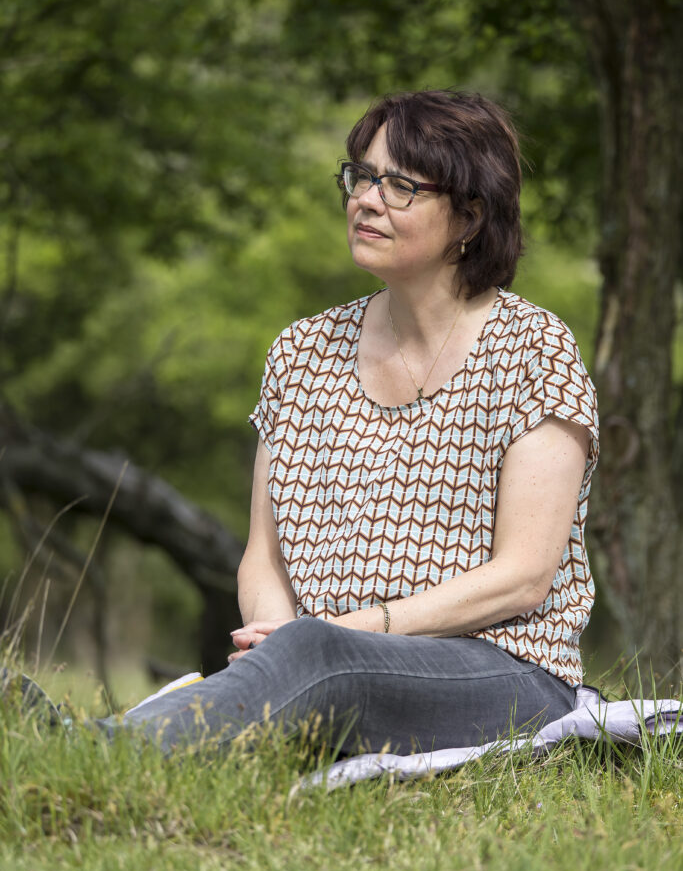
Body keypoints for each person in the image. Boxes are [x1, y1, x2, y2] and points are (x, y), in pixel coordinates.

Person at [7, 90, 600, 756]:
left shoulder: (534, 349)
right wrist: (276, 640)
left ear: (469, 215)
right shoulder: (301, 352)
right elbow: (263, 555)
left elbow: (524, 575)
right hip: (329, 660)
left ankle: (87, 750)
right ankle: (96, 742)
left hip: (505, 673)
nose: (366, 200)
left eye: (400, 186)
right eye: (362, 176)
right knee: (313, 655)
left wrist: (343, 633)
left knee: (321, 653)